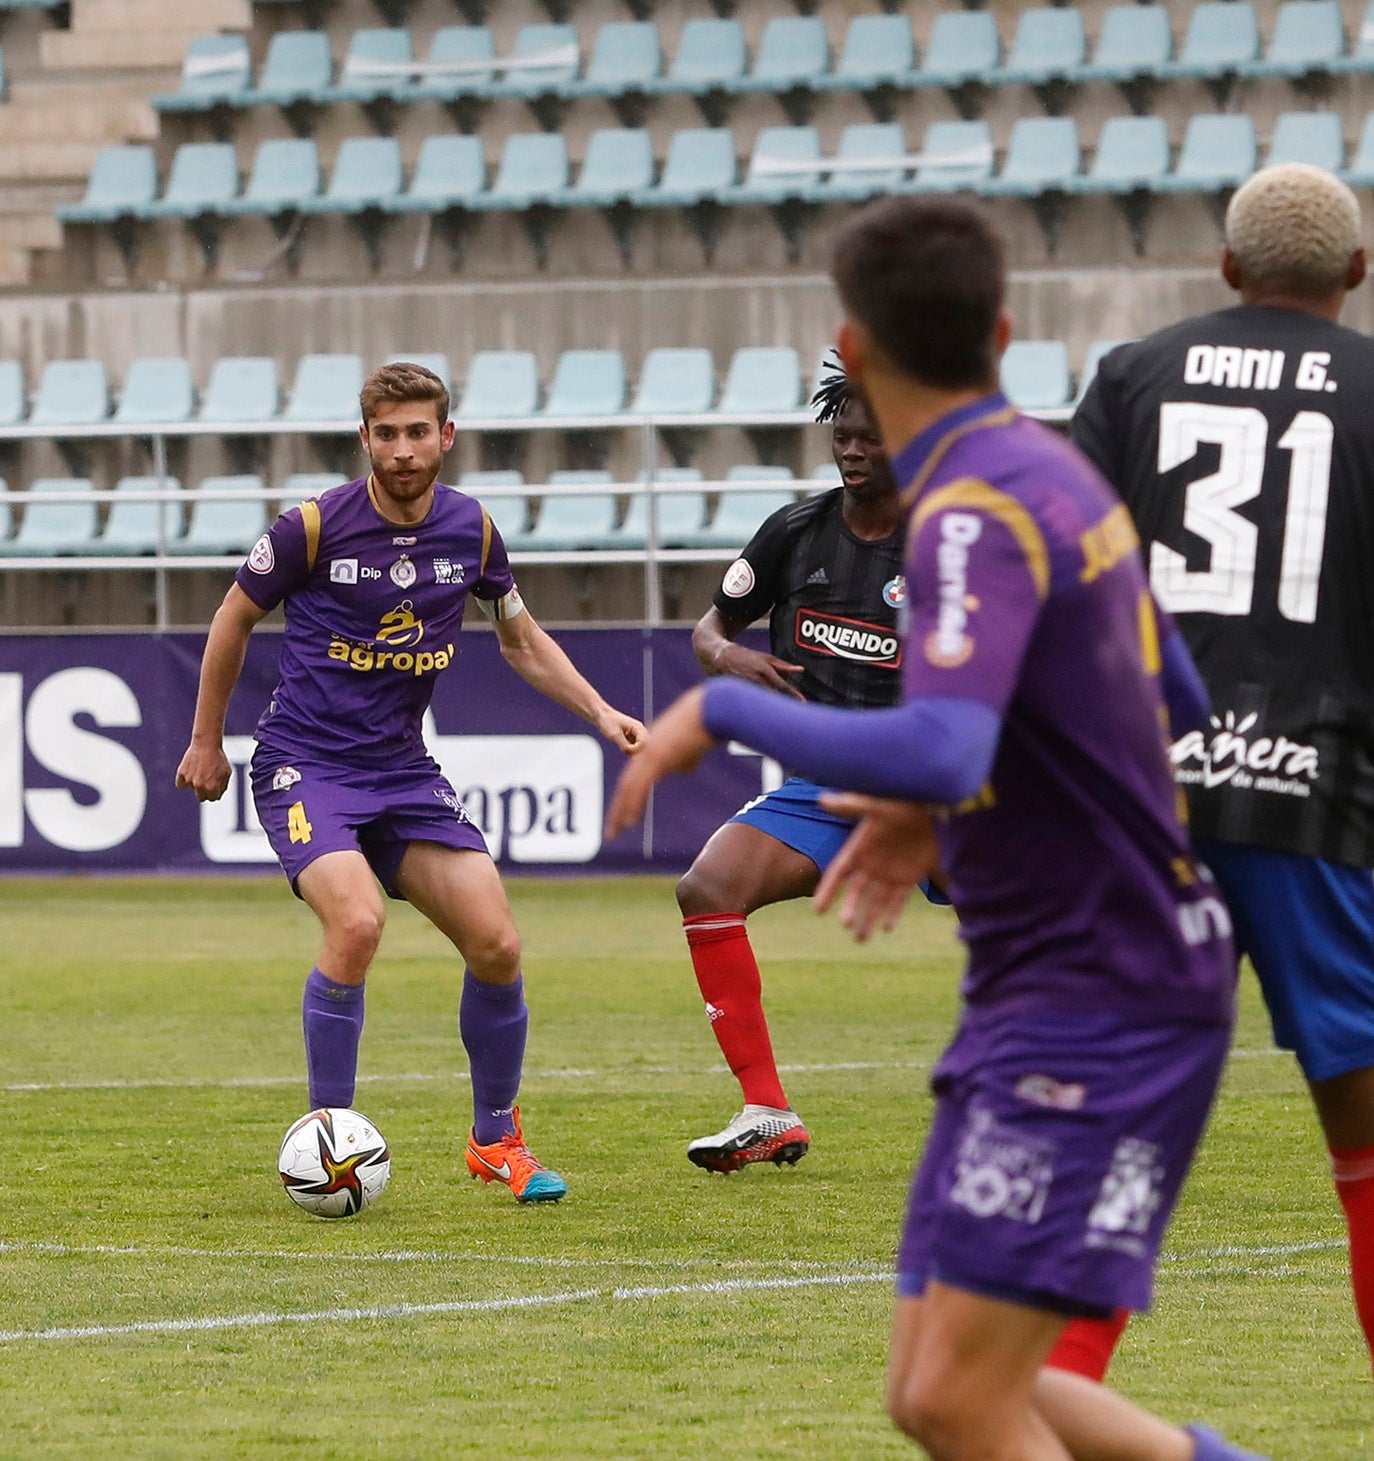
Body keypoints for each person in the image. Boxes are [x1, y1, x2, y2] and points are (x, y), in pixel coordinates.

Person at [608, 196, 1263, 1459]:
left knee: (965, 1399)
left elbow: (951, 738)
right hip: (1081, 975)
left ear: (852, 348)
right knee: (930, 1391)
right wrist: (932, 799)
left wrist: (723, 714)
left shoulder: (962, 513)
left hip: (1100, 984)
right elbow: (1171, 696)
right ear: (1003, 331)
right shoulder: (1063, 480)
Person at [176, 361, 646, 1205]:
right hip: (305, 763)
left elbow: (520, 637)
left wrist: (600, 710)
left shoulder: (471, 531)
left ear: (446, 437)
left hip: (400, 769)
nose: (402, 450)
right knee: (357, 920)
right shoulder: (311, 527)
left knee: (497, 942)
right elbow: (232, 616)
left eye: (417, 432)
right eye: (385, 434)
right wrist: (208, 739)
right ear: (365, 439)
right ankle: (329, 1143)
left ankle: (495, 1138)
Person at [1054, 161, 1374, 1383]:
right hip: (1327, 805)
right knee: (1364, 1146)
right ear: (1355, 271)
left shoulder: (1134, 376)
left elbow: (1066, 587)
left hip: (1148, 806)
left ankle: (1056, 1401)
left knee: (1122, 1132)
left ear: (1228, 269)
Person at [676, 357, 909, 1173]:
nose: (851, 449)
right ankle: (766, 1108)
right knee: (708, 885)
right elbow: (709, 633)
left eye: (869, 437)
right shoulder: (794, 532)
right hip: (827, 787)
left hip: (936, 781)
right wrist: (735, 660)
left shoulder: (949, 544)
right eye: (841, 435)